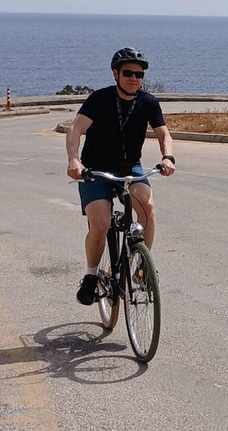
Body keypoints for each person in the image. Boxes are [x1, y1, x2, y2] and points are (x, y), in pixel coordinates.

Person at [66, 47, 175, 306]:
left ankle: (141, 266)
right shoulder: (99, 99)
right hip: (95, 169)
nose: (134, 78)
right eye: (128, 73)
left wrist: (168, 157)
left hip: (130, 168)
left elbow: (163, 134)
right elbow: (75, 130)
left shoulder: (148, 102)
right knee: (101, 224)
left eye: (139, 74)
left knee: (147, 207)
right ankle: (91, 276)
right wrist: (74, 160)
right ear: (115, 73)